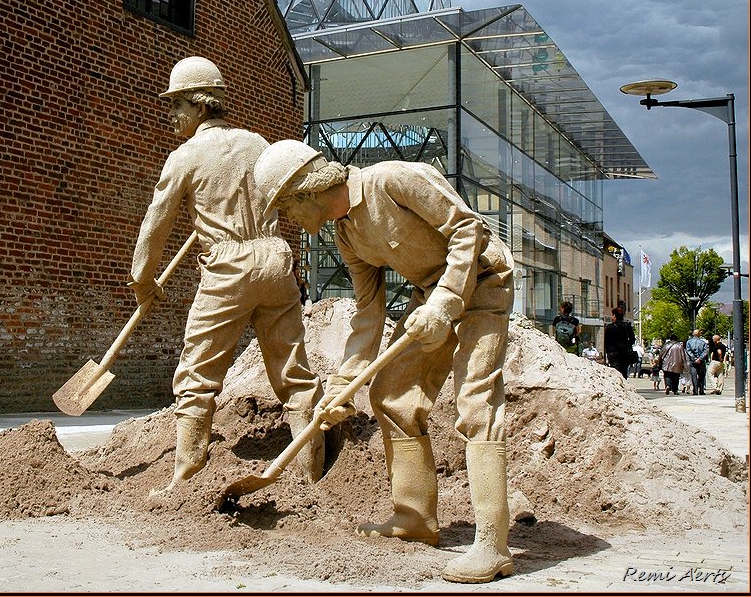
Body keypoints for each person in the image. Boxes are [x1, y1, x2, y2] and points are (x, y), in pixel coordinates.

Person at [253, 140, 516, 584]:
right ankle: (414, 518)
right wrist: (343, 385)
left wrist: (447, 302)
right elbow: (368, 313)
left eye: (287, 208)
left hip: (484, 281)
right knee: (391, 394)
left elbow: (468, 230)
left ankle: (494, 544)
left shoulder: (394, 179)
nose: (291, 221)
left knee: (475, 399)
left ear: (305, 192)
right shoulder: (347, 235)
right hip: (429, 297)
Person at [129, 57, 324, 493]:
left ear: (201, 105)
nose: (171, 114)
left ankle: (185, 479)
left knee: (197, 374)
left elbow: (155, 222)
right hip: (276, 262)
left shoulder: (185, 156)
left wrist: (142, 279)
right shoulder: (257, 143)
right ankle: (310, 474)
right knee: (293, 372)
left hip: (228, 270)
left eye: (177, 104)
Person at [603, 306, 636, 378]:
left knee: (616, 373)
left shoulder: (609, 327)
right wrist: (627, 345)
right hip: (624, 353)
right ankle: (624, 386)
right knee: (624, 372)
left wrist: (608, 353)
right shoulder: (627, 326)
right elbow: (632, 340)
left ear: (614, 316)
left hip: (613, 354)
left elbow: (606, 342)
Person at [684, 329, 709, 395]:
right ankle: (701, 390)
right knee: (701, 376)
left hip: (693, 362)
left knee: (694, 376)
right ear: (699, 334)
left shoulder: (689, 342)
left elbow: (688, 351)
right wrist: (700, 359)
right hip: (701, 361)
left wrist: (694, 358)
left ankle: (695, 390)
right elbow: (705, 351)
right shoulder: (703, 342)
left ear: (693, 334)